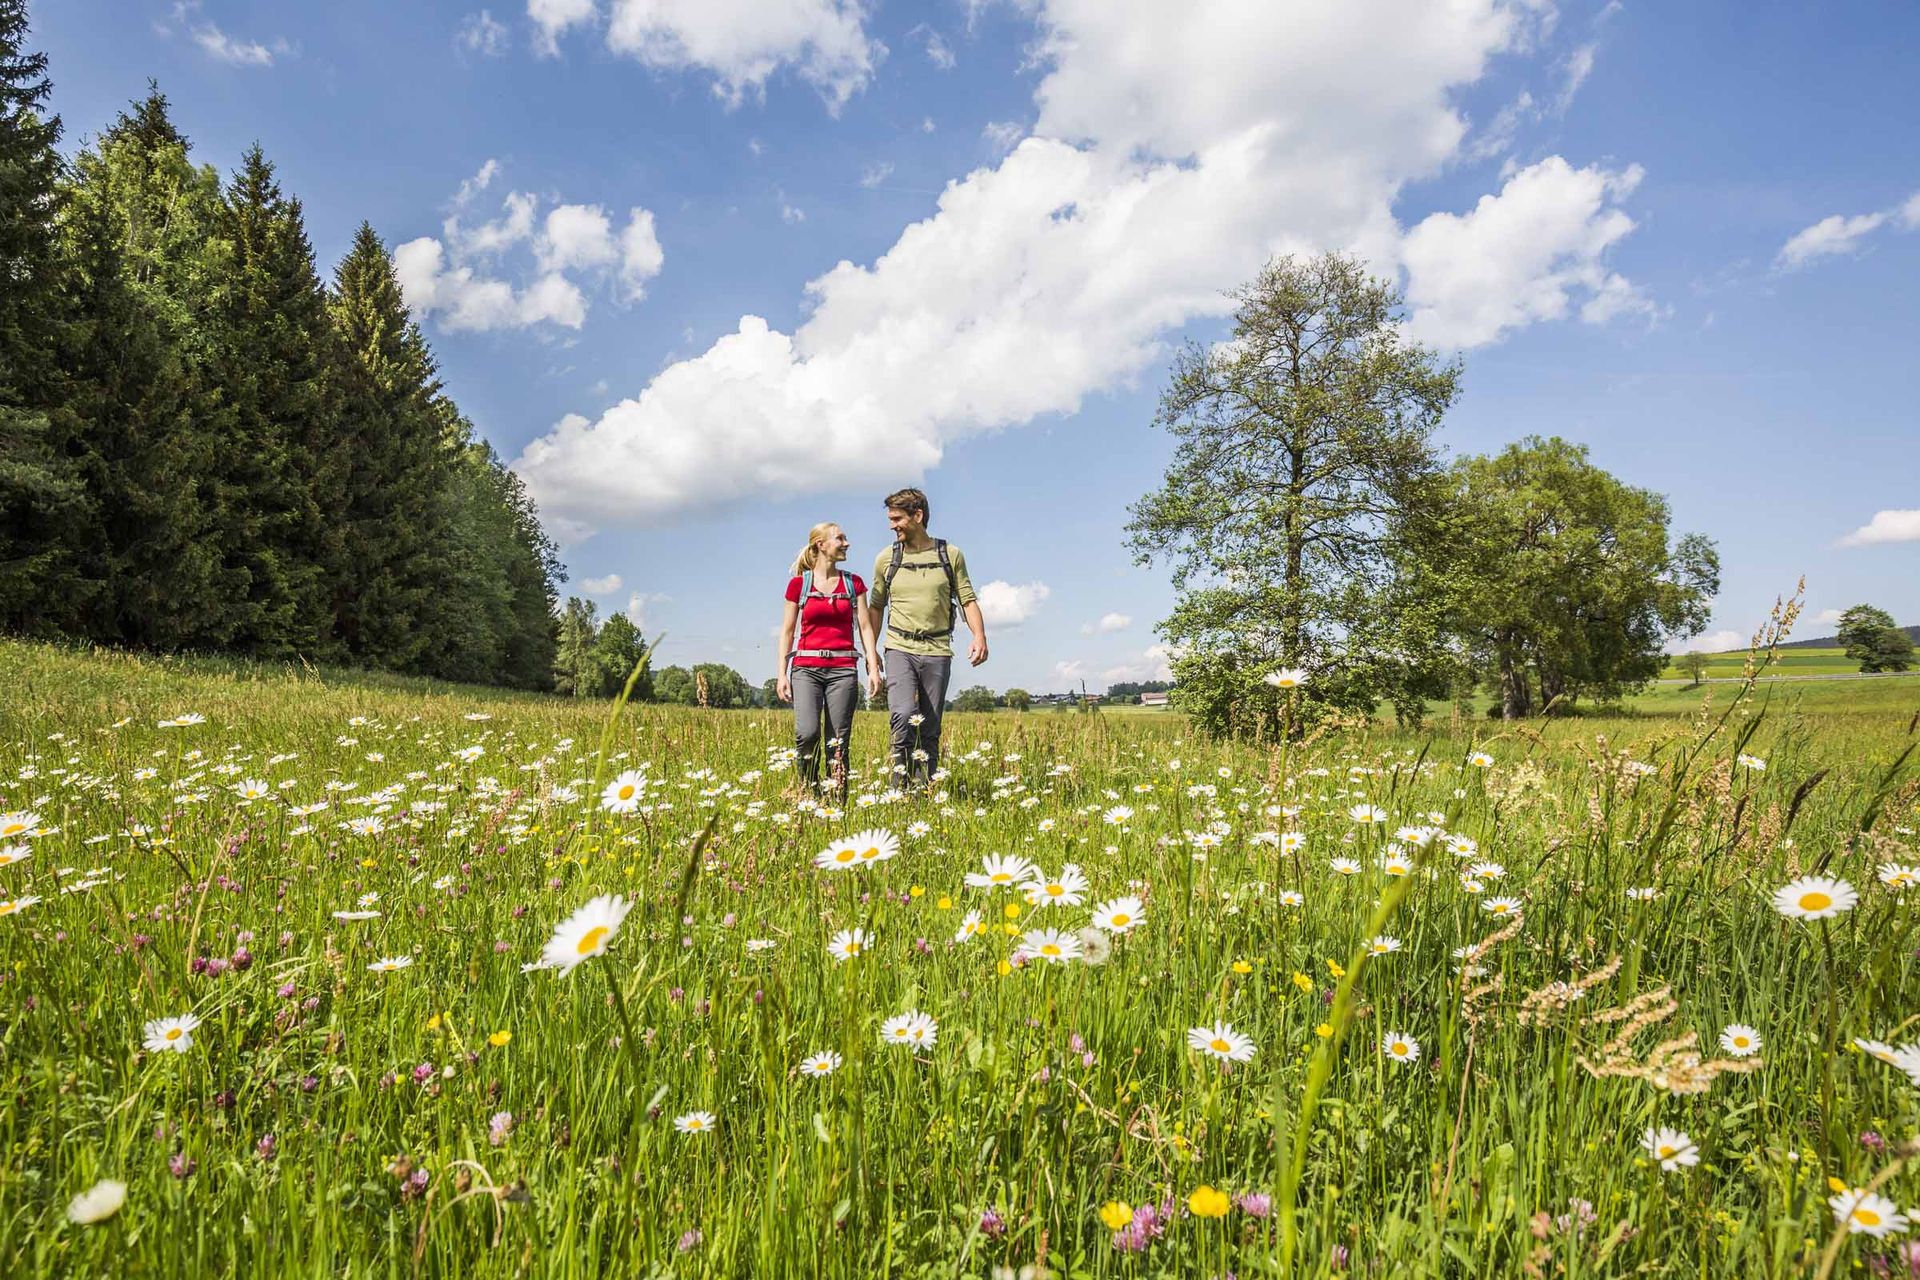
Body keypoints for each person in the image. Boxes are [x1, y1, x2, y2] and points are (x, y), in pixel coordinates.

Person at [866, 488, 987, 789]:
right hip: (899, 648)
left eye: (897, 518)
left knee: (930, 725)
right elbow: (876, 607)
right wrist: (871, 653)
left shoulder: (950, 555)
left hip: (937, 649)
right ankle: (898, 788)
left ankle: (924, 789)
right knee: (904, 716)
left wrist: (979, 636)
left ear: (917, 516)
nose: (892, 525)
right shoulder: (886, 559)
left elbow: (968, 599)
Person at [776, 522, 880, 798]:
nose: (847, 543)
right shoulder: (799, 585)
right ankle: (809, 793)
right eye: (840, 538)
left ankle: (837, 800)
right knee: (807, 734)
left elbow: (866, 627)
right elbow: (787, 632)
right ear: (821, 545)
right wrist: (782, 674)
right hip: (806, 670)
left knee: (838, 742)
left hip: (843, 670)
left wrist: (872, 667)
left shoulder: (853, 583)